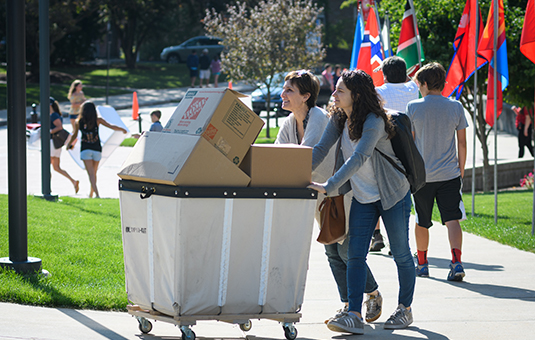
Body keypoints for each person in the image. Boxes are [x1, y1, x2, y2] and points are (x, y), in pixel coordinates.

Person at [309, 70, 415, 334]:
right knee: (355, 254)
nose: (333, 94)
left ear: (356, 95)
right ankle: (354, 314)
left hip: (393, 193)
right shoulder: (338, 118)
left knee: (401, 253)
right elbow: (321, 149)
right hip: (364, 197)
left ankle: (405, 309)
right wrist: (295, 173)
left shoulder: (374, 120)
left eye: (340, 90)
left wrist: (329, 185)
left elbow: (359, 157)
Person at [275, 70, 383, 326]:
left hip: (341, 192)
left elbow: (307, 158)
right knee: (332, 252)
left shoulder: (319, 119)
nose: (283, 94)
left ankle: (373, 294)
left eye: (290, 90)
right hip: (320, 197)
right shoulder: (289, 123)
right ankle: (347, 306)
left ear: (306, 96)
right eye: (285, 89)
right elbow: (278, 156)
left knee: (345, 251)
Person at [406, 62, 468, 282]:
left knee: (422, 221)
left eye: (419, 85)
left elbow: (411, 143)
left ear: (424, 83)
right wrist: (460, 171)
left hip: (422, 175)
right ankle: (456, 261)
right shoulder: (456, 107)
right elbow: (462, 143)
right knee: (453, 219)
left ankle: (422, 264)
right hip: (449, 174)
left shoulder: (413, 107)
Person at [370, 56, 420, 252]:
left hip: (383, 148)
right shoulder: (413, 89)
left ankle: (377, 235)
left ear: (384, 74)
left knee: (378, 192)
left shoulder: (378, 92)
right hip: (408, 148)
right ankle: (399, 241)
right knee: (402, 196)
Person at [67, 101, 127, 198]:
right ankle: (91, 194)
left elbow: (74, 135)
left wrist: (69, 144)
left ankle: (97, 194)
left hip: (85, 150)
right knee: (94, 173)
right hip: (97, 149)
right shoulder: (98, 120)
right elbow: (111, 126)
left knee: (91, 174)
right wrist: (122, 129)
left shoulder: (79, 122)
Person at [49, 97, 79, 194]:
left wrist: (49, 131)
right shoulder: (55, 114)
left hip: (52, 144)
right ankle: (74, 181)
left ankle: (47, 188)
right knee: (56, 167)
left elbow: (59, 127)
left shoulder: (53, 115)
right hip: (56, 145)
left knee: (46, 166)